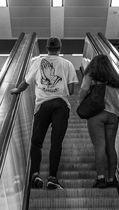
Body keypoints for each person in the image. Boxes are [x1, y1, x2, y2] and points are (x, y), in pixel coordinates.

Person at [10, 37, 78, 189]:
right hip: (61, 106)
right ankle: (53, 178)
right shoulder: (67, 64)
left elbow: (25, 83)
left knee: (36, 141)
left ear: (46, 48)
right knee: (56, 143)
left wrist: (16, 90)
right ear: (60, 48)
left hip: (42, 105)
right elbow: (72, 90)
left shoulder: (38, 62)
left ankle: (35, 175)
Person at [79, 55, 119, 188]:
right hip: (114, 116)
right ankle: (111, 179)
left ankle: (101, 179)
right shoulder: (115, 79)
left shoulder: (91, 75)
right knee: (110, 147)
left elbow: (83, 89)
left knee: (99, 146)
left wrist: (81, 103)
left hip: (97, 115)